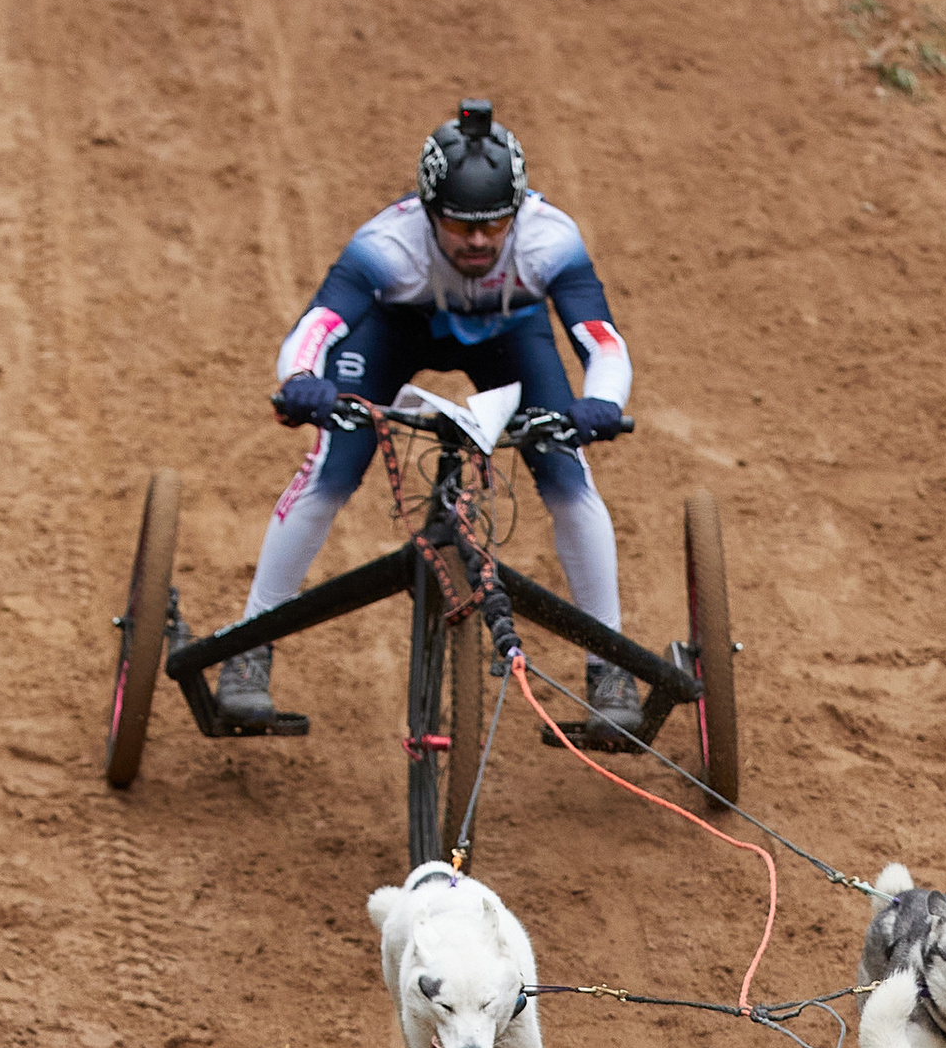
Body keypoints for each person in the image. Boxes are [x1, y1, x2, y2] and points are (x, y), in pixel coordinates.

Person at [219, 102, 636, 730]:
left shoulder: (551, 239)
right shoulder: (387, 246)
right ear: (428, 212)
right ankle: (248, 647)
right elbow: (318, 327)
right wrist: (303, 383)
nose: (477, 242)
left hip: (511, 338)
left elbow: (600, 339)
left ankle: (611, 666)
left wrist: (603, 402)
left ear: (518, 210)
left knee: (566, 476)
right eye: (459, 226)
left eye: (495, 225)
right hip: (395, 334)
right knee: (334, 464)